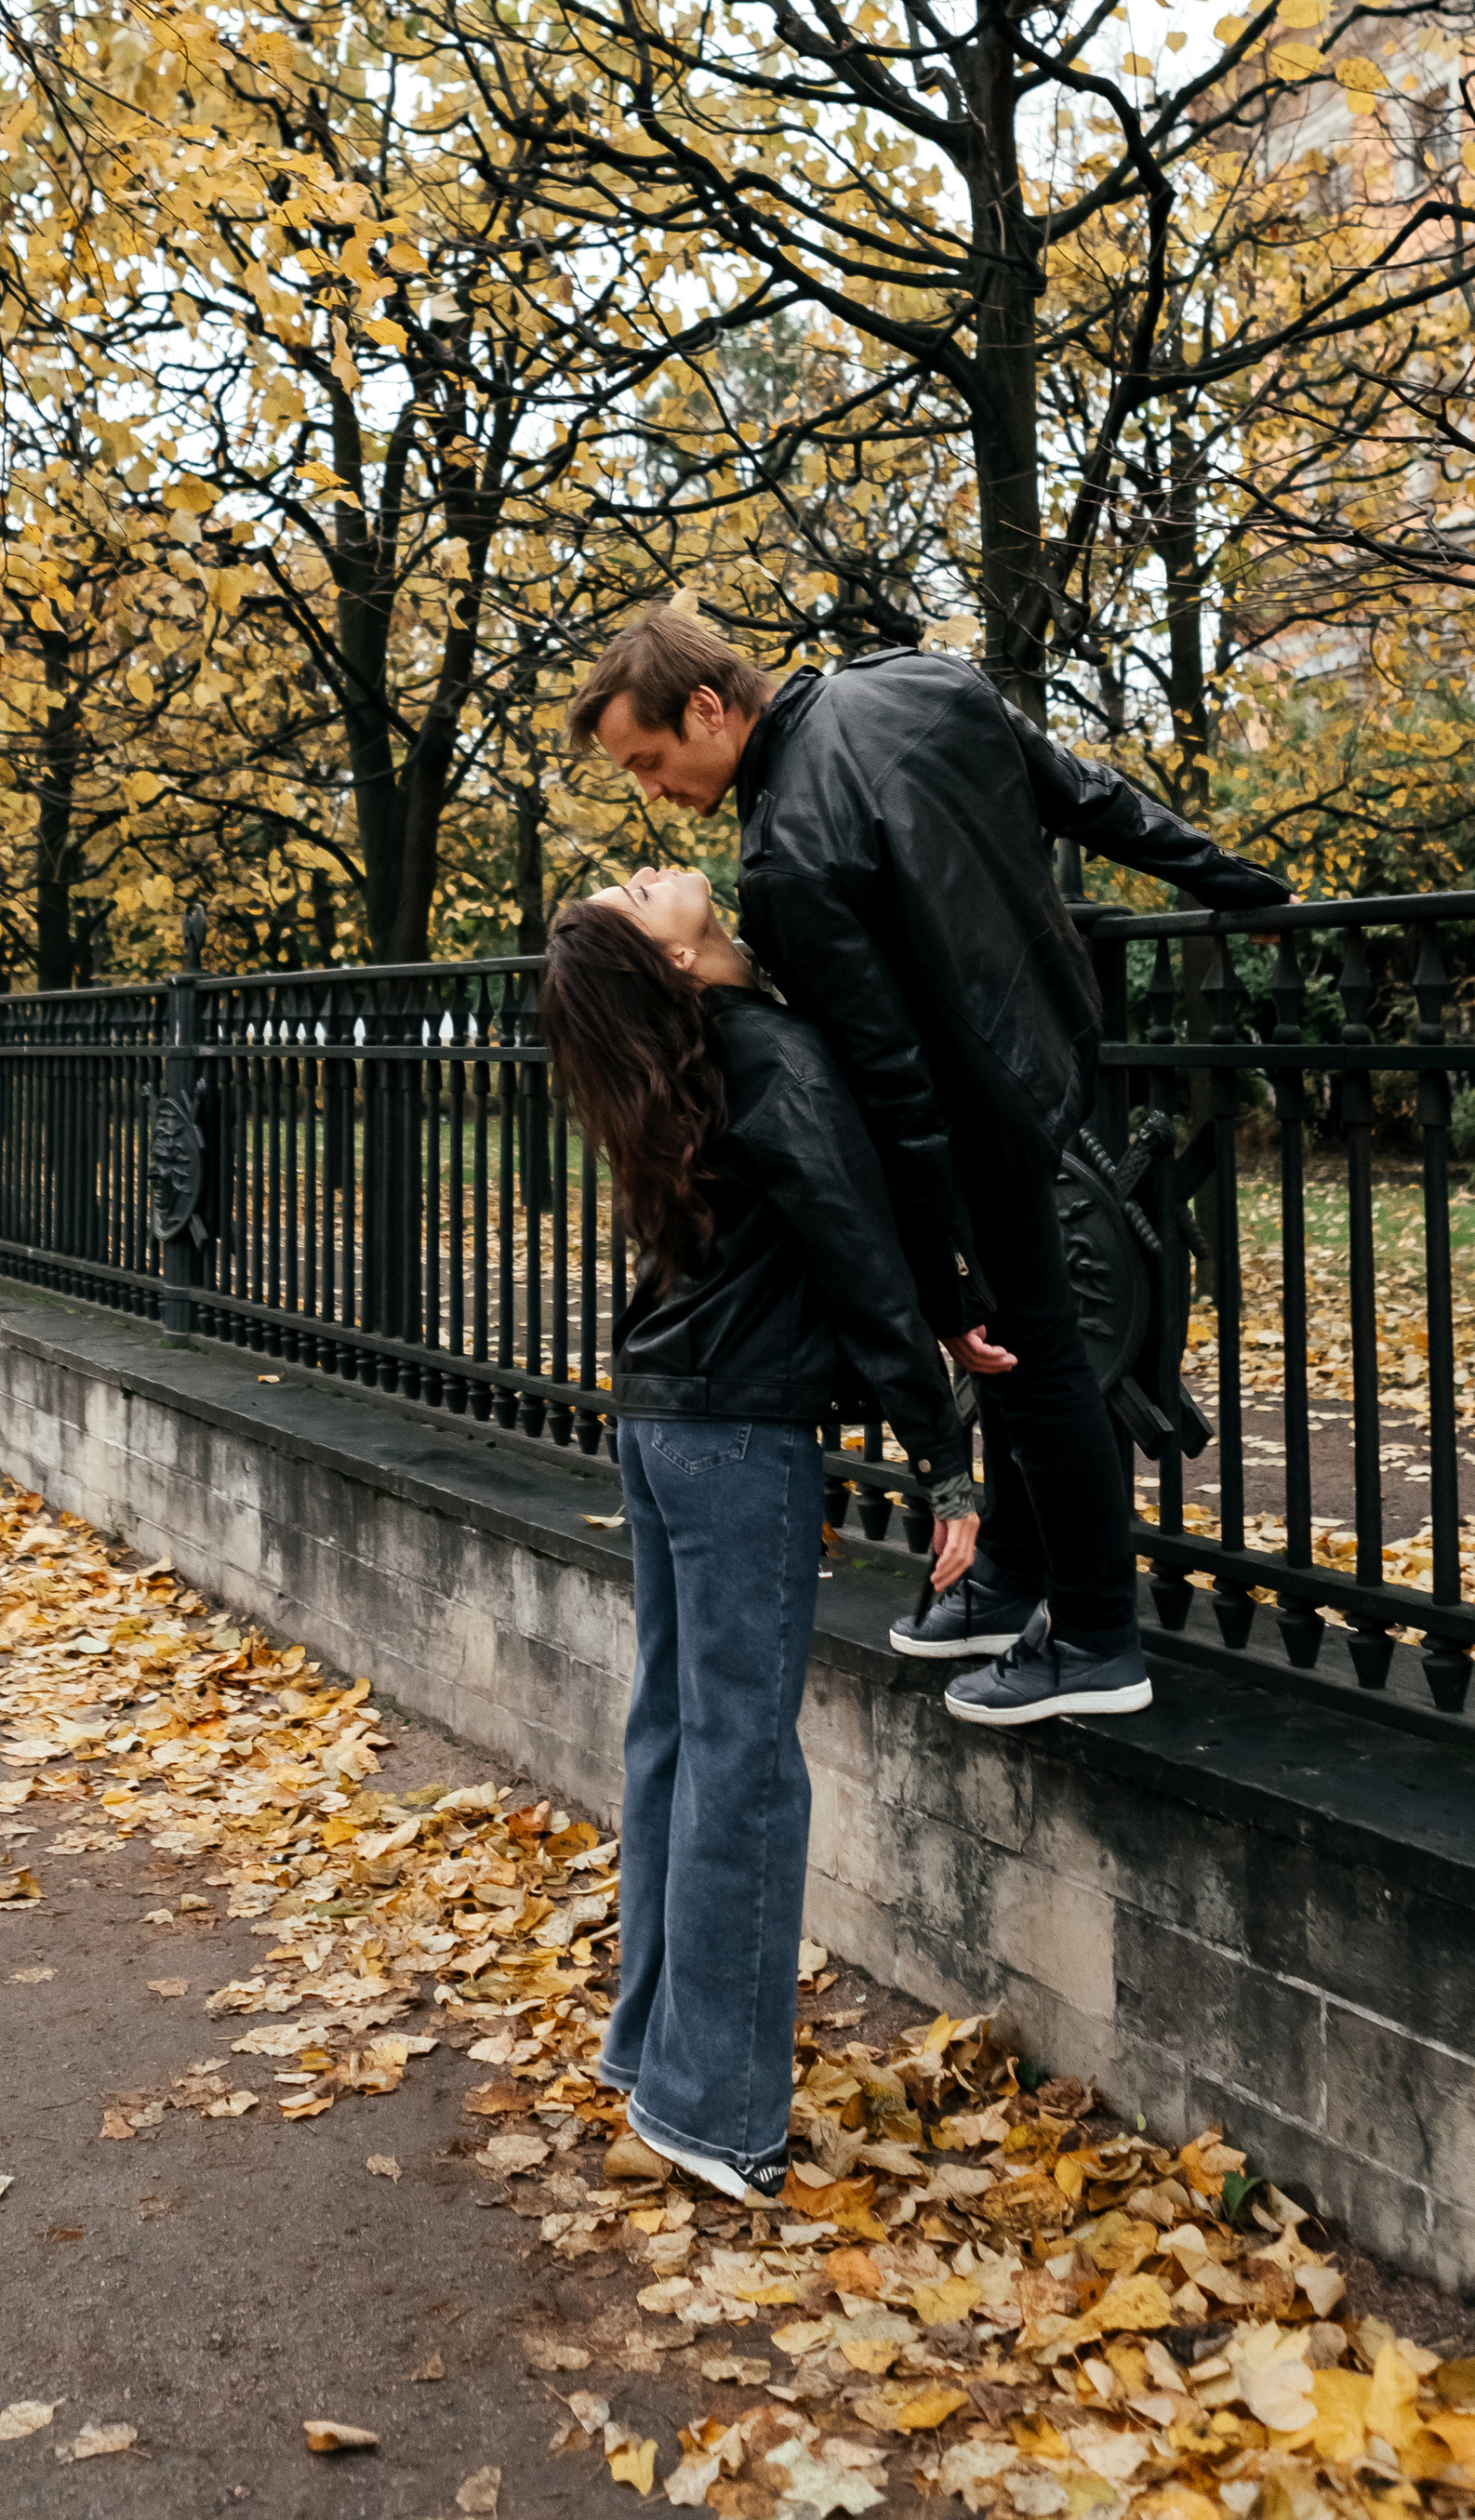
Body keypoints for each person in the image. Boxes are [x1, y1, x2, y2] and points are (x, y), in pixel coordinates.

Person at [568, 610, 1285, 1733]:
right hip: (1049, 1050)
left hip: (969, 1117)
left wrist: (937, 1273)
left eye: (650, 763)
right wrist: (1243, 885)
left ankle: (1096, 1637)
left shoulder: (785, 858)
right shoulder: (915, 681)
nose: (654, 793)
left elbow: (890, 1080)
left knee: (1027, 1358)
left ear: (707, 709)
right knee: (1037, 1352)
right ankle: (1005, 1583)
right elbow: (1083, 792)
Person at [538, 867, 978, 2205]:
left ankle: (652, 2053)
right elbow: (856, 1250)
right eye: (631, 896)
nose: (645, 869)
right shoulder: (768, 1053)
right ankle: (715, 2106)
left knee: (678, 1736)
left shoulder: (707, 1070)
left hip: (666, 1420)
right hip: (730, 1440)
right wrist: (947, 1461)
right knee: (745, 1761)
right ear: (670, 965)